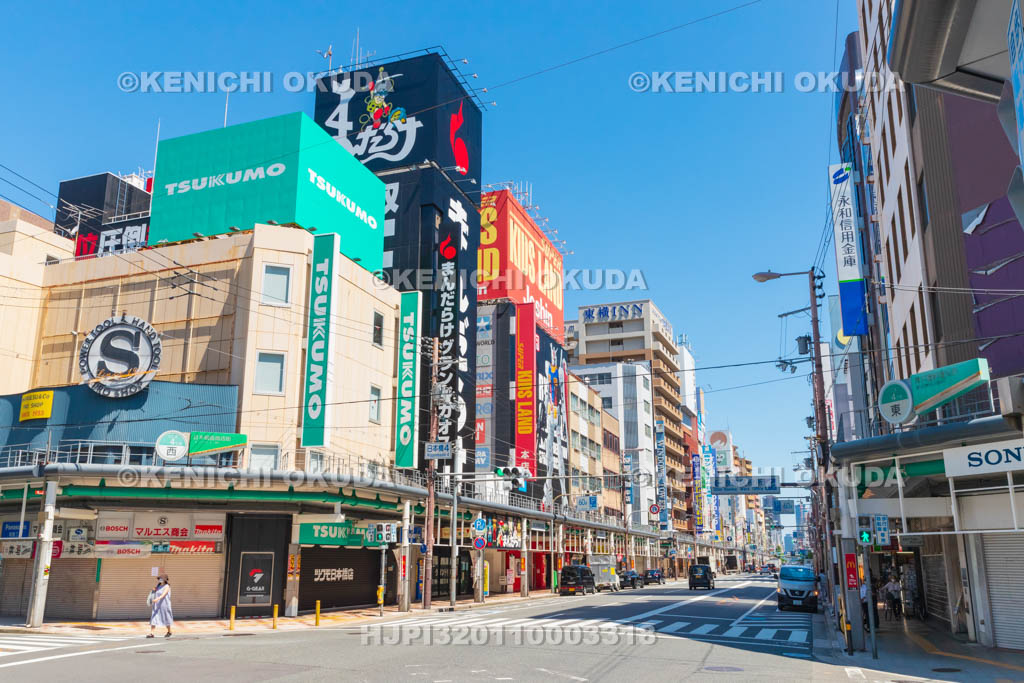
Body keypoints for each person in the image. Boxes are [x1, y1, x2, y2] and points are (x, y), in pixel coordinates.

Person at [148, 573, 173, 638]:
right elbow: (155, 592)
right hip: (157, 605)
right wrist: (153, 590)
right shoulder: (158, 586)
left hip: (164, 605)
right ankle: (151, 633)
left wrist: (158, 599)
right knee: (154, 617)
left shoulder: (167, 586)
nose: (160, 580)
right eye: (159, 579)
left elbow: (163, 594)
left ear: (165, 580)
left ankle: (169, 631)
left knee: (165, 618)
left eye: (161, 579)